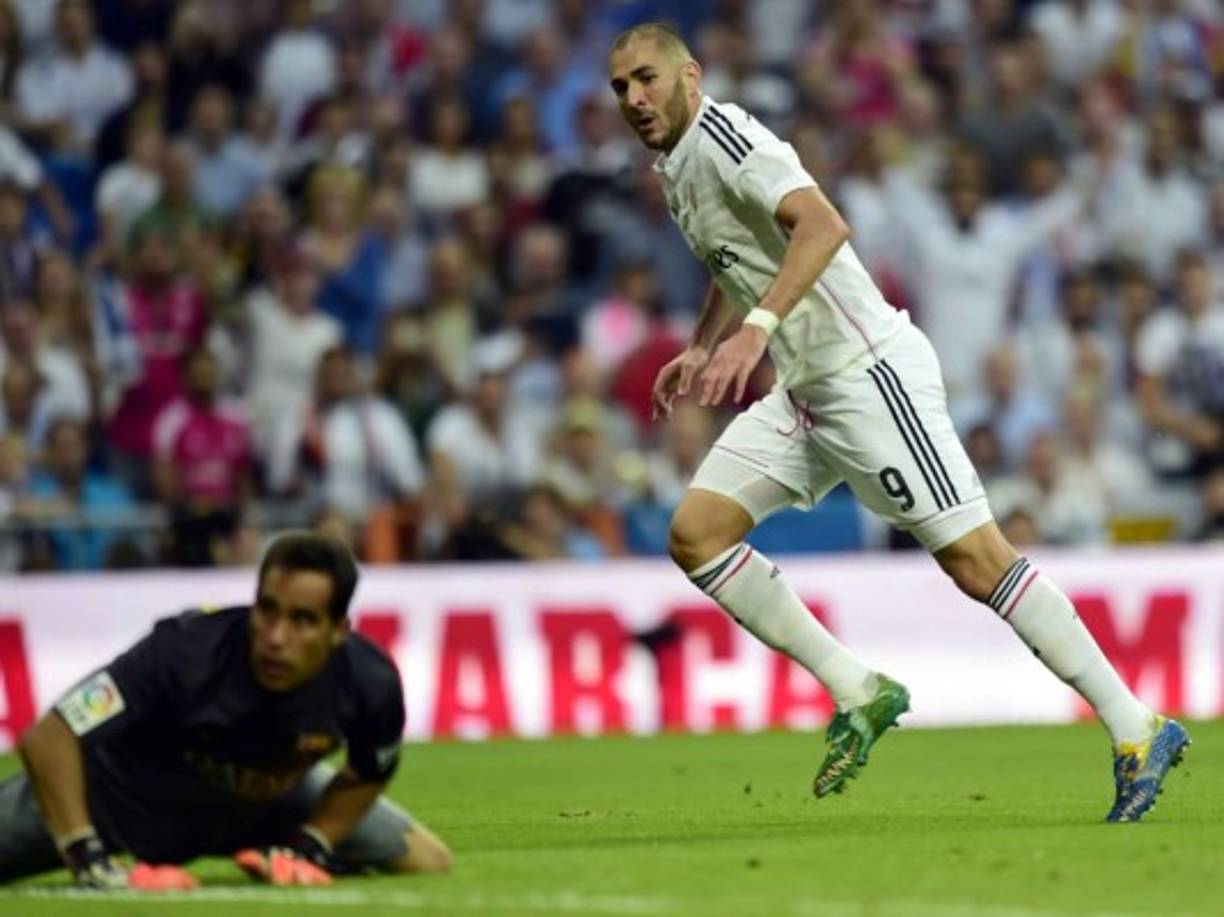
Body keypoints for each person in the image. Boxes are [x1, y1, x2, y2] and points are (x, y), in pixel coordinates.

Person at [607, 22, 1188, 822]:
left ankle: (1137, 725)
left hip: (868, 376)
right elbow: (738, 256)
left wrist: (756, 331)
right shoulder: (675, 162)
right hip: (808, 391)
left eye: (645, 79)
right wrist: (705, 338)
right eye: (620, 88)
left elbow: (822, 225)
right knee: (696, 533)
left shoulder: (728, 134)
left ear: (689, 76)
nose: (633, 99)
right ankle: (859, 688)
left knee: (980, 562)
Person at [2, 531, 451, 889]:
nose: (276, 637)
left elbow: (370, 770)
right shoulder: (185, 651)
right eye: (268, 610)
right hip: (115, 800)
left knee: (427, 858)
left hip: (262, 807)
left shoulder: (369, 683)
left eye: (302, 620)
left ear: (338, 631)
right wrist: (86, 855)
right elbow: (50, 736)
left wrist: (310, 845)